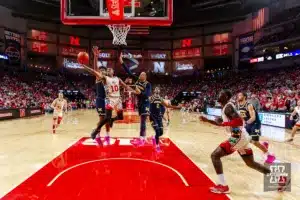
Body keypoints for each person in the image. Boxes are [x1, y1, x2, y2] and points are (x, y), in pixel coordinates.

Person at [200, 90, 271, 194]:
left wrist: (224, 124)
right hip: (242, 136)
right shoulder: (225, 108)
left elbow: (238, 121)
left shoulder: (228, 107)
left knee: (215, 155)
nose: (219, 95)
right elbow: (220, 122)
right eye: (219, 93)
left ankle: (223, 186)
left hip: (237, 135)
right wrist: (207, 120)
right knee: (251, 163)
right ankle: (278, 178)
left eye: (222, 94)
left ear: (227, 97)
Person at [81, 61, 132, 146]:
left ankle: (111, 122)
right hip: (105, 99)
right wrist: (85, 66)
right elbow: (94, 71)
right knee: (104, 118)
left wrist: (130, 87)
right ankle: (97, 132)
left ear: (113, 71)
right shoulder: (103, 78)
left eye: (109, 69)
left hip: (116, 99)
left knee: (119, 117)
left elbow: (120, 87)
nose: (107, 70)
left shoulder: (116, 78)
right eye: (106, 70)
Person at [120, 52, 152, 146]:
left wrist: (139, 92)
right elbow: (129, 72)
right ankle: (143, 137)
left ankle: (142, 138)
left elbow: (147, 94)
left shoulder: (148, 84)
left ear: (145, 77)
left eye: (143, 75)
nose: (141, 76)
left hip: (146, 103)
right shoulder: (137, 80)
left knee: (143, 121)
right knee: (142, 121)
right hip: (140, 103)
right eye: (140, 74)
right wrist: (122, 62)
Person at [237, 92, 276, 163]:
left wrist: (245, 123)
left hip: (255, 123)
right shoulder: (239, 105)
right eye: (238, 95)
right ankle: (264, 144)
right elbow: (243, 117)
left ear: (244, 97)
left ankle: (270, 155)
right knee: (249, 140)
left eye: (240, 95)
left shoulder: (249, 105)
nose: (238, 96)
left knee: (254, 142)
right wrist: (242, 125)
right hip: (248, 124)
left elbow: (253, 117)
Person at [150, 87, 180, 152]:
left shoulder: (161, 99)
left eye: (158, 89)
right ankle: (157, 146)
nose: (157, 89)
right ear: (154, 90)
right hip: (152, 117)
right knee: (157, 131)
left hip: (159, 118)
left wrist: (177, 107)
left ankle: (153, 137)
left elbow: (167, 106)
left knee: (161, 132)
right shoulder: (152, 98)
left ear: (159, 91)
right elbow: (147, 104)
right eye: (156, 89)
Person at [93, 47, 111, 143]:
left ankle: (108, 135)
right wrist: (96, 57)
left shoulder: (108, 79)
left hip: (107, 100)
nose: (102, 72)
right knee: (101, 118)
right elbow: (95, 69)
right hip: (100, 100)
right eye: (100, 71)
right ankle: (98, 134)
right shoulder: (98, 78)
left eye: (103, 71)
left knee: (107, 119)